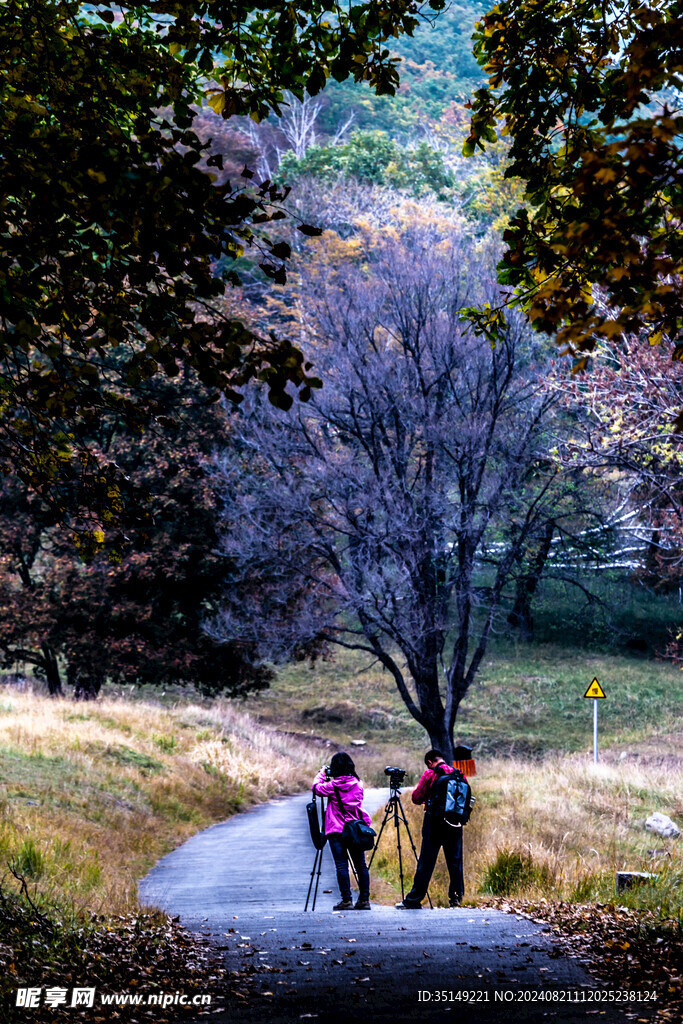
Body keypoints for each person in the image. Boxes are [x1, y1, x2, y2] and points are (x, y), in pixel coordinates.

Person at [395, 749, 464, 909]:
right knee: (455, 862)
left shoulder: (430, 773)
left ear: (429, 762)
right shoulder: (458, 774)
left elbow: (416, 798)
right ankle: (457, 899)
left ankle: (414, 899)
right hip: (455, 823)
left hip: (434, 823)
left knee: (426, 861)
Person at [312, 752, 372, 910]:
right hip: (354, 830)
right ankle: (364, 900)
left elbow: (316, 789)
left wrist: (321, 774)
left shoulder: (333, 786)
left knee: (341, 865)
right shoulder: (358, 784)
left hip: (336, 830)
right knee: (361, 865)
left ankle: (347, 900)